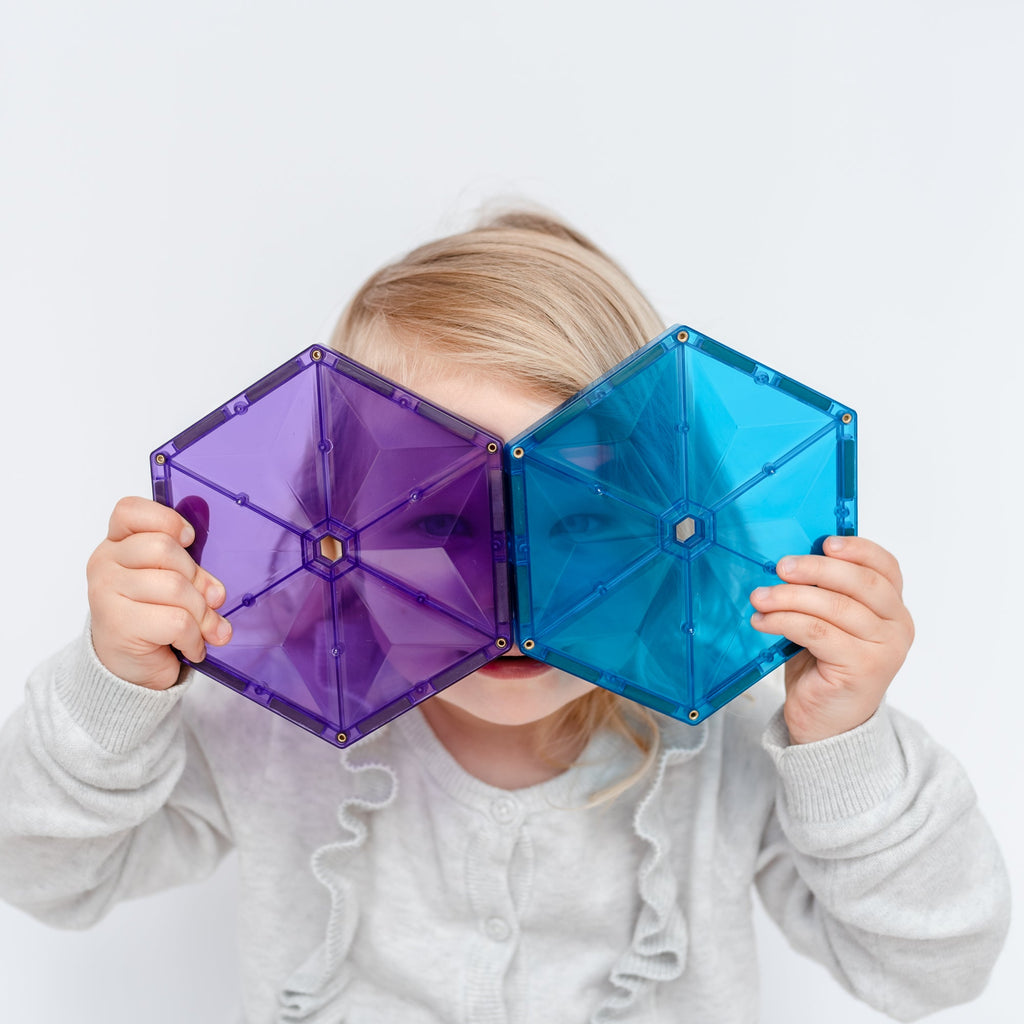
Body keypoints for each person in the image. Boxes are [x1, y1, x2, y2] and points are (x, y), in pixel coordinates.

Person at [0, 210, 1010, 1023]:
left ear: (668, 525)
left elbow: (934, 970)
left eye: (576, 521)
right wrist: (115, 688)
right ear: (338, 534)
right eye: (441, 523)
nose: (513, 604)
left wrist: (843, 741)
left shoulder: (730, 746)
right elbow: (48, 876)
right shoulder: (275, 729)